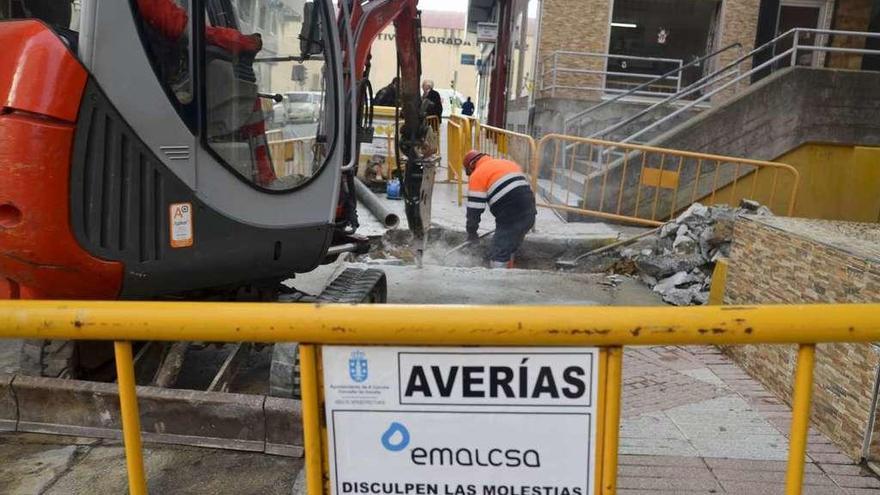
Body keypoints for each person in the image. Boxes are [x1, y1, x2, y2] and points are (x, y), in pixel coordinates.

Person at [463, 150, 536, 268]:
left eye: (469, 172)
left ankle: (497, 283)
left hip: (511, 215)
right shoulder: (508, 163)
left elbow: (474, 210)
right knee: (509, 247)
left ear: (471, 165)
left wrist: (472, 233)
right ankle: (508, 277)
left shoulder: (478, 174)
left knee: (498, 252)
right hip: (530, 213)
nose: (471, 175)